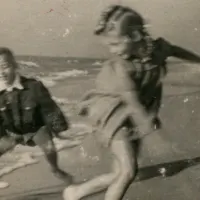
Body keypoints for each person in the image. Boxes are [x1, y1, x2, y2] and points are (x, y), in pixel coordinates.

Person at [63, 5, 200, 200]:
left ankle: (76, 192)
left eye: (116, 44)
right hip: (113, 115)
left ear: (135, 36)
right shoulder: (120, 66)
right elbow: (131, 99)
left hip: (133, 114)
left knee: (120, 173)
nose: (112, 50)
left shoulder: (159, 49)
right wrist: (148, 124)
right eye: (109, 45)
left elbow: (176, 50)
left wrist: (197, 60)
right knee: (128, 171)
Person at [0, 47, 75, 185]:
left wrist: (58, 129)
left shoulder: (33, 86)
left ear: (15, 66)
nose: (1, 73)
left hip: (36, 129)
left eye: (5, 67)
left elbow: (50, 108)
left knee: (49, 148)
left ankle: (55, 169)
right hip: (13, 132)